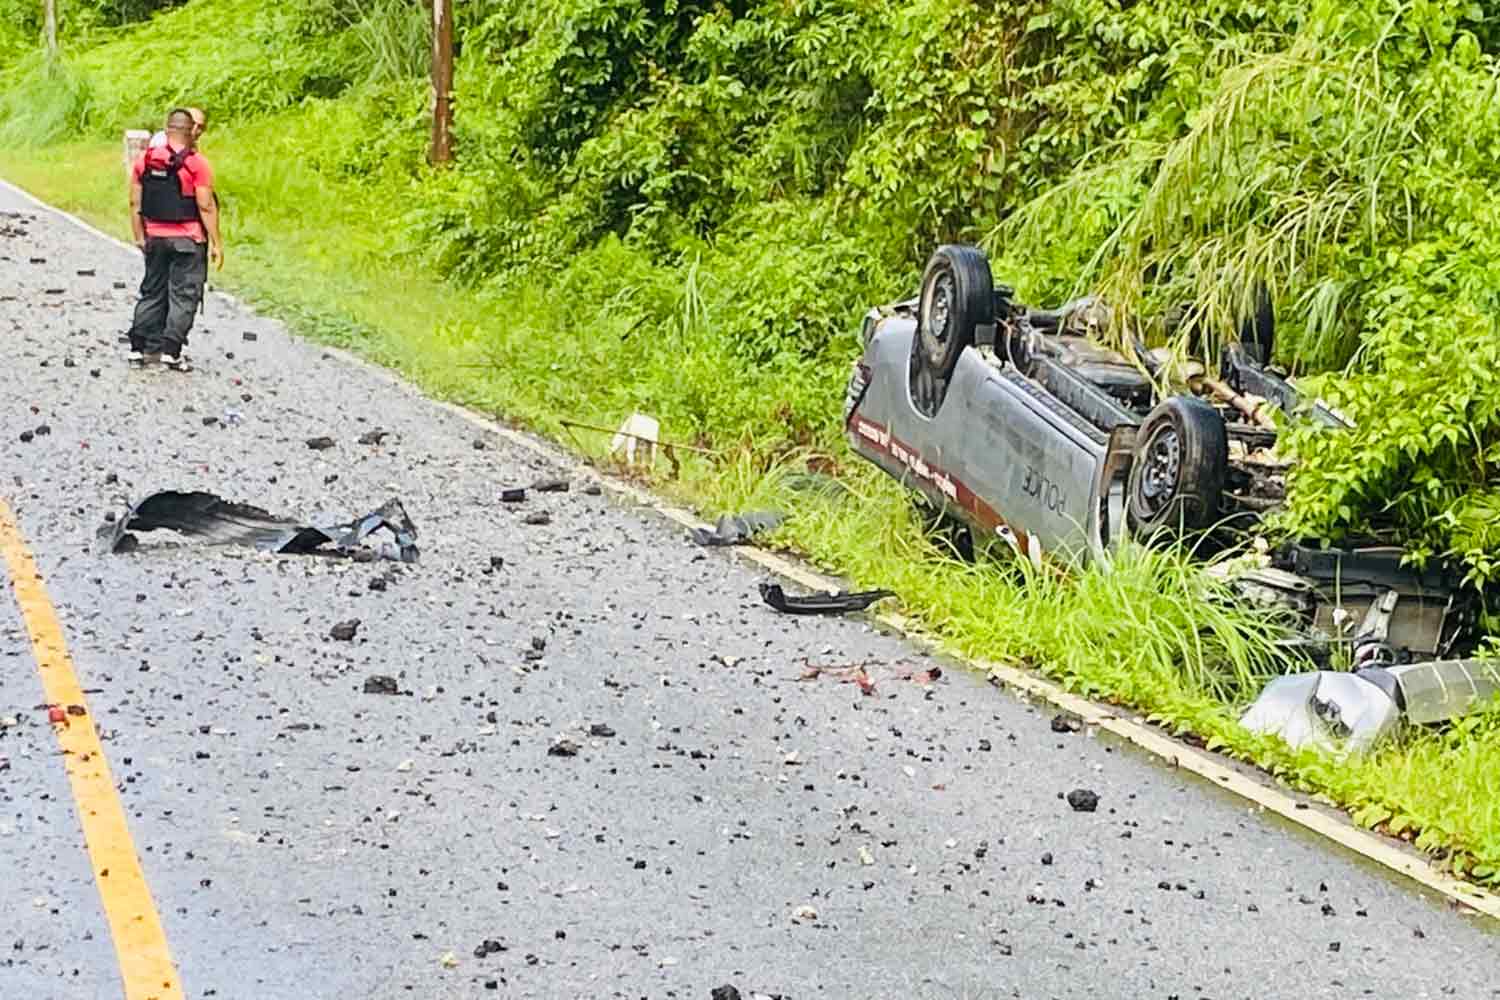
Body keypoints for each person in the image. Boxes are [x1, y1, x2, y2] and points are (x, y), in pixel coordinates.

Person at [127, 108, 224, 371]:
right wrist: (216, 242)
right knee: (184, 295)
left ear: (167, 128)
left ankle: (138, 349)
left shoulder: (144, 160)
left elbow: (135, 202)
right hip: (188, 240)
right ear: (191, 130)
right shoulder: (197, 163)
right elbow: (205, 205)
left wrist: (139, 236)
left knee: (152, 292)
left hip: (155, 237)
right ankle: (171, 352)